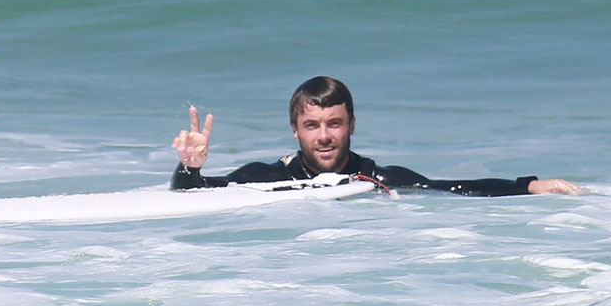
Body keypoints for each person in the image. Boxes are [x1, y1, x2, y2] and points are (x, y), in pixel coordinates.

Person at [170, 76, 580, 196]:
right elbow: (197, 194)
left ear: (351, 124)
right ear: (295, 131)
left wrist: (528, 186)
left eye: (335, 123)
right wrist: (189, 169)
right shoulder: (266, 177)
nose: (325, 136)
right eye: (313, 126)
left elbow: (454, 188)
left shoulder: (374, 179)